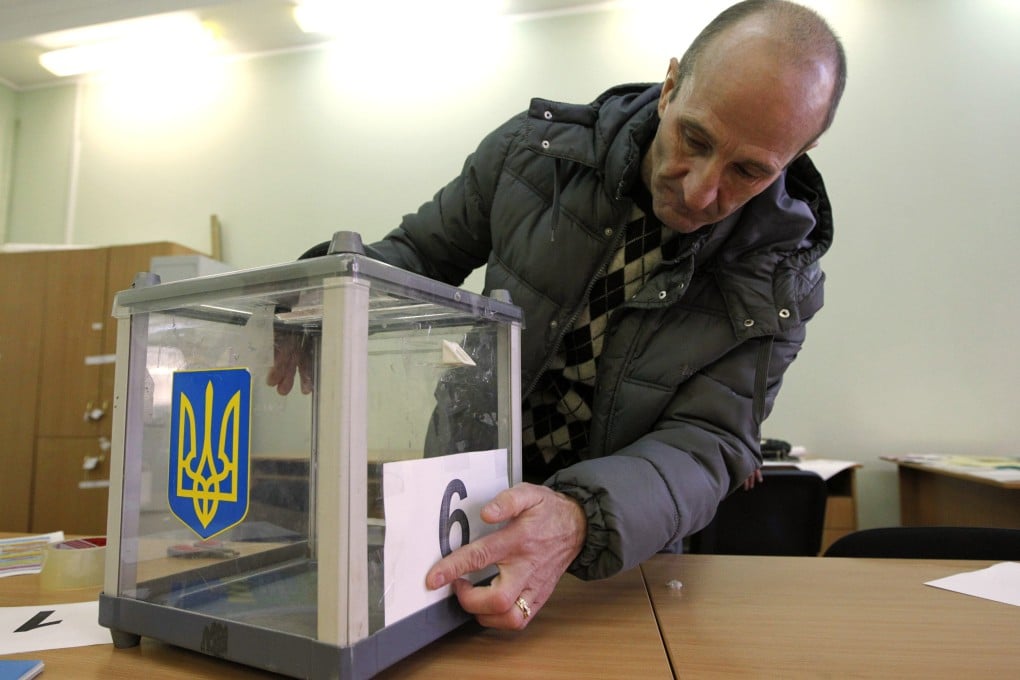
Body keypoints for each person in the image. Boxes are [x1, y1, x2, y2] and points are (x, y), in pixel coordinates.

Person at [269, 0, 846, 631]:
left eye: (749, 171)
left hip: (616, 564)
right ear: (671, 86)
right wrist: (324, 285)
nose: (700, 189)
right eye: (696, 139)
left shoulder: (779, 280)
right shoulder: (532, 155)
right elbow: (417, 254)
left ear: (800, 152)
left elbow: (709, 443)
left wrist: (577, 519)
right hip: (458, 518)